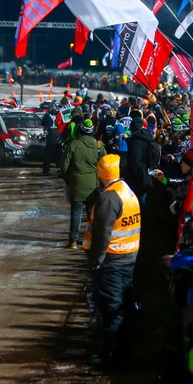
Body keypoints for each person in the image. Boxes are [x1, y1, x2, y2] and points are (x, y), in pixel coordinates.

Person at [82, 154, 140, 363]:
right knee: (122, 305)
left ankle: (111, 356)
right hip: (127, 258)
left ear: (100, 174)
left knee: (111, 308)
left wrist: (96, 260)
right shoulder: (126, 191)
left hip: (111, 262)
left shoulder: (109, 197)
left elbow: (102, 233)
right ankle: (122, 351)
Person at [61, 119, 105, 249]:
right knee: (92, 214)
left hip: (77, 184)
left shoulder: (73, 145)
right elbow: (105, 165)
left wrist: (69, 179)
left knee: (76, 213)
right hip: (94, 185)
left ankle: (73, 241)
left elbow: (64, 166)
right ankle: (91, 240)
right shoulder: (99, 146)